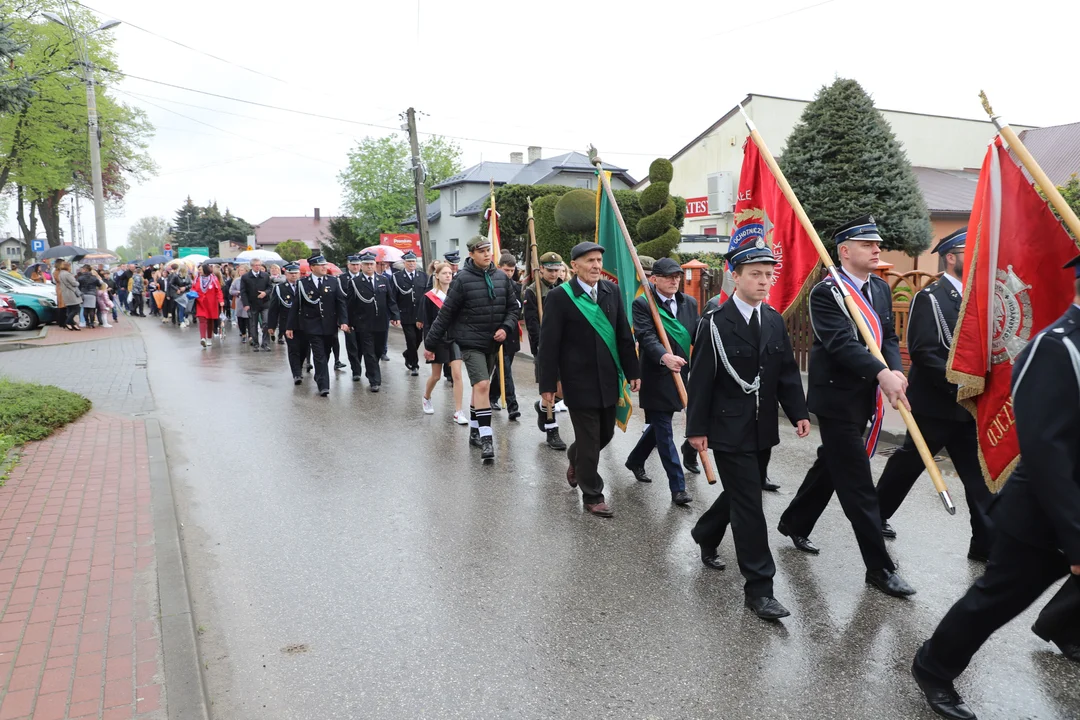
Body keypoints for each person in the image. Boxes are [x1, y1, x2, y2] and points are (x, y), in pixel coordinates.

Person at [912, 254, 1080, 720]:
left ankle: (1062, 626)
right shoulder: (1055, 347)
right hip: (1045, 513)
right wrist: (1075, 536)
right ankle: (934, 665)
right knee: (996, 599)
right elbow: (1047, 453)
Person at [777, 215, 916, 598]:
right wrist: (880, 374)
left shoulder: (880, 288)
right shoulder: (828, 292)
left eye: (877, 243)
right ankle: (879, 568)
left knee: (832, 464)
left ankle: (794, 521)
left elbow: (888, 336)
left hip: (865, 397)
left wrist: (894, 373)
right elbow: (841, 344)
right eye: (868, 244)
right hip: (836, 399)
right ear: (844, 251)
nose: (877, 249)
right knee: (857, 483)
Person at [686, 242, 810, 620]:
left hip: (762, 428)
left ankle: (706, 532)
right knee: (750, 508)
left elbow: (785, 370)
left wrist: (798, 412)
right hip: (726, 427)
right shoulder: (714, 323)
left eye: (769, 274)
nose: (764, 281)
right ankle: (760, 589)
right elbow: (702, 379)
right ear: (735, 276)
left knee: (744, 493)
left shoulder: (772, 319)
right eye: (755, 274)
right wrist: (696, 429)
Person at [875, 227, 993, 561]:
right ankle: (874, 517)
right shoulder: (930, 298)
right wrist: (963, 385)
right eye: (968, 254)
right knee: (907, 467)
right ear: (951, 257)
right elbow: (924, 352)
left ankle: (986, 545)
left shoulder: (979, 297)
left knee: (980, 479)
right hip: (937, 406)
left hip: (970, 407)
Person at [538, 241, 641, 517]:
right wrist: (547, 384)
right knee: (589, 437)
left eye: (598, 260)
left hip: (608, 378)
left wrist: (633, 370)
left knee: (604, 434)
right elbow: (549, 344)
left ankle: (575, 457)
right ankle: (593, 494)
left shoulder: (612, 291)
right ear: (574, 266)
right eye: (590, 261)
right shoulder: (560, 297)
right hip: (577, 381)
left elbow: (622, 334)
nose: (596, 266)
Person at [424, 236, 519, 461]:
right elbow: (446, 313)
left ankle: (475, 429)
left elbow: (513, 309)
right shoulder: (462, 280)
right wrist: (430, 343)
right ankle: (487, 438)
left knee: (480, 390)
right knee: (483, 385)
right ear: (472, 254)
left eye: (489, 250)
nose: (487, 254)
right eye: (481, 251)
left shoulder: (501, 278)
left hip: (492, 343)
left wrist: (506, 327)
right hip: (469, 343)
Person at [623, 257, 699, 504]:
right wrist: (664, 356)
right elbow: (645, 336)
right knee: (665, 431)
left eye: (677, 275)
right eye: (668, 276)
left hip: (682, 374)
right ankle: (678, 488)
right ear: (653, 279)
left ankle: (635, 460)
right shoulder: (644, 304)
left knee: (659, 426)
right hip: (656, 375)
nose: (674, 280)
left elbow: (697, 334)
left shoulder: (689, 303)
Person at [522, 252, 567, 450]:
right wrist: (541, 348)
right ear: (541, 269)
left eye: (557, 270)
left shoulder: (564, 288)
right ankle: (552, 428)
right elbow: (532, 324)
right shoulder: (533, 291)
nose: (554, 273)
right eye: (550, 270)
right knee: (549, 388)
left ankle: (541, 408)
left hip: (565, 345)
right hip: (545, 346)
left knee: (564, 390)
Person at [286, 255, 348, 397]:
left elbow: (340, 303)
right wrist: (290, 327)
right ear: (312, 267)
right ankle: (324, 386)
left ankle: (319, 375)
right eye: (321, 265)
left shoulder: (333, 281)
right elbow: (295, 306)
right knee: (319, 354)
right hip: (311, 325)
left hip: (329, 324)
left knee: (326, 353)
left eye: (325, 265)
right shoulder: (302, 283)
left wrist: (344, 321)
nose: (324, 267)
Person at [344, 252, 400, 392]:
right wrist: (348, 322)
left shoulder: (383, 280)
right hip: (363, 323)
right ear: (362, 266)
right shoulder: (355, 282)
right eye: (367, 264)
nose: (369, 266)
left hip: (381, 321)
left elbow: (390, 300)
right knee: (368, 351)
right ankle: (374, 380)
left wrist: (395, 315)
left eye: (371, 264)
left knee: (378, 350)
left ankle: (371, 372)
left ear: (375, 265)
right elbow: (350, 303)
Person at [420, 262, 466, 422]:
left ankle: (459, 411)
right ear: (437, 276)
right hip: (437, 339)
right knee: (436, 376)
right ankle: (426, 397)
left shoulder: (455, 295)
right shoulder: (430, 297)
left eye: (450, 273)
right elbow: (427, 324)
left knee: (457, 375)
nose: (448, 275)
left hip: (454, 338)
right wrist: (428, 345)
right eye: (444, 273)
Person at [488, 253, 522, 420]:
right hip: (497, 335)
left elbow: (518, 311)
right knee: (506, 371)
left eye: (512, 270)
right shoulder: (493, 285)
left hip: (512, 335)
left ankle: (492, 396)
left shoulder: (517, 287)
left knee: (501, 372)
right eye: (506, 270)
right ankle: (512, 406)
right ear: (499, 267)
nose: (509, 273)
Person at [391, 250, 427, 375]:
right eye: (409, 261)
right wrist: (394, 315)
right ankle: (414, 365)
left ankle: (408, 354)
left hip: (419, 314)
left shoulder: (423, 276)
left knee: (418, 339)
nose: (412, 264)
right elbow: (393, 297)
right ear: (404, 263)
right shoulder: (397, 277)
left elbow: (426, 296)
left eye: (413, 261)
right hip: (405, 313)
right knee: (411, 339)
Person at [269, 263, 306, 383]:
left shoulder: (305, 286)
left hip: (305, 323)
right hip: (288, 324)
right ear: (286, 274)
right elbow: (274, 308)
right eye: (291, 273)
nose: (294, 275)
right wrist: (272, 325)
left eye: (296, 273)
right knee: (293, 348)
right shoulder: (280, 288)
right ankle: (297, 374)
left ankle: (299, 367)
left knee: (304, 349)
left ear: (299, 274)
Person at [241, 258, 273, 350]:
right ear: (251, 266)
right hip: (252, 304)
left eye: (259, 265)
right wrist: (246, 304)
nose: (258, 267)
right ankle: (255, 343)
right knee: (253, 324)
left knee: (266, 323)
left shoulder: (265, 275)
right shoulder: (246, 277)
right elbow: (243, 292)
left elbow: (270, 287)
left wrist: (265, 293)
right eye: (256, 265)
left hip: (265, 303)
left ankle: (265, 343)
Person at [192, 264, 224, 348]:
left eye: (200, 269)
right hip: (200, 303)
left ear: (205, 270)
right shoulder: (197, 279)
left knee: (210, 321)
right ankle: (203, 338)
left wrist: (221, 300)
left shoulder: (213, 279)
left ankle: (209, 338)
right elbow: (193, 288)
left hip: (211, 303)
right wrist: (192, 294)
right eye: (198, 269)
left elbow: (218, 290)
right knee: (202, 320)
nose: (199, 271)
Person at [56, 261, 82, 331]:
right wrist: (78, 282)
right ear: (68, 267)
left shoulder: (60, 274)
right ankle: (67, 322)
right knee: (76, 308)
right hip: (71, 293)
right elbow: (74, 283)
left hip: (65, 293)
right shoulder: (67, 274)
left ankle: (72, 323)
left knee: (70, 309)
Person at [77, 264, 102, 328]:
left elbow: (78, 286)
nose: (82, 270)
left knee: (85, 309)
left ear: (85, 269)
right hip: (92, 294)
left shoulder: (80, 278)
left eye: (83, 269)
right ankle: (91, 323)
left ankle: (87, 322)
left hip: (84, 294)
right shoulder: (94, 278)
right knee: (92, 310)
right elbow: (99, 285)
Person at [231, 264, 250, 343]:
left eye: (242, 270)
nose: (240, 272)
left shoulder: (250, 279)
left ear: (246, 271)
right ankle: (243, 334)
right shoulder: (236, 280)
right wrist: (237, 292)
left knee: (248, 319)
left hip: (248, 301)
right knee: (240, 319)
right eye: (239, 270)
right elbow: (231, 290)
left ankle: (251, 335)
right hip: (239, 302)